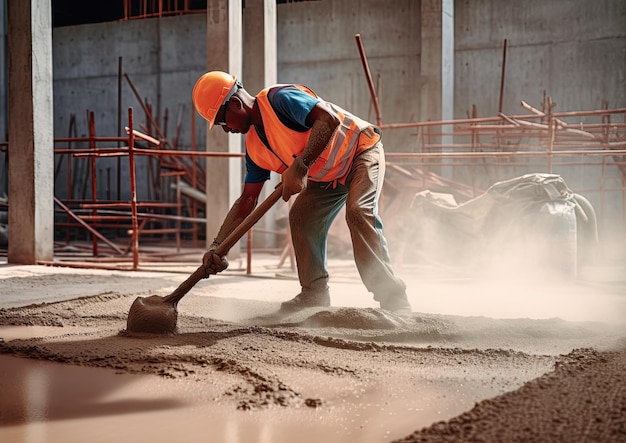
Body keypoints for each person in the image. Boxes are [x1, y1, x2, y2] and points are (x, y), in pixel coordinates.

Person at [193, 71, 411, 314]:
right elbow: (247, 199)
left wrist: (302, 163)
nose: (225, 130)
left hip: (360, 151)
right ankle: (314, 294)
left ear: (235, 104)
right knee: (301, 217)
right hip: (327, 177)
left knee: (358, 211)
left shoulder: (279, 99)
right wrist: (218, 244)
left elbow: (328, 120)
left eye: (223, 122)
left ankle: (394, 300)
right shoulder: (254, 148)